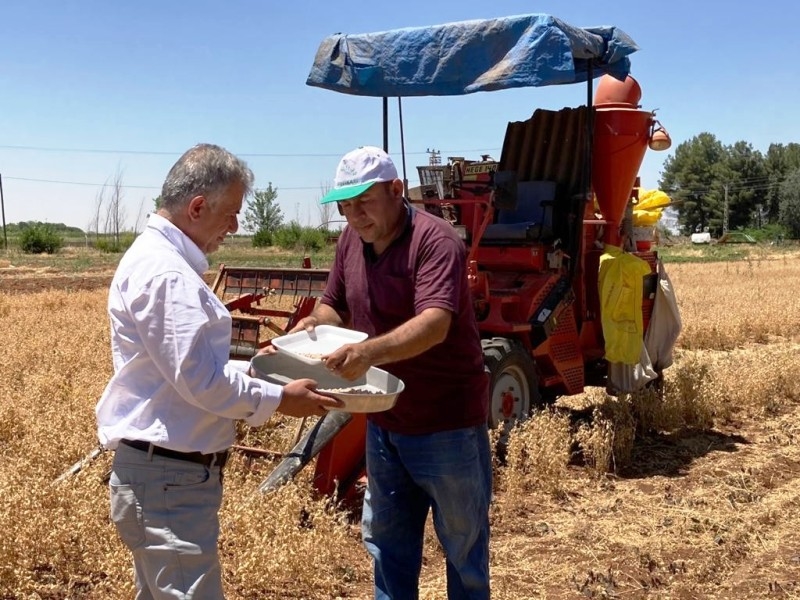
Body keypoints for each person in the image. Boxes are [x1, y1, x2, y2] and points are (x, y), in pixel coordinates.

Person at [95, 143, 340, 599]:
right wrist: (279, 399)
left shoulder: (159, 262)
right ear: (197, 207)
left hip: (164, 477)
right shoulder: (167, 273)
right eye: (230, 213)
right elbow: (201, 382)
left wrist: (258, 366)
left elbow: (187, 370)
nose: (235, 226)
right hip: (169, 479)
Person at [294, 146, 492, 599]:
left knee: (463, 549)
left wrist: (367, 352)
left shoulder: (435, 241)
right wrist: (313, 324)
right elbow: (334, 304)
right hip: (385, 420)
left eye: (364, 201)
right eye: (345, 206)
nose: (354, 215)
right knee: (387, 546)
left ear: (396, 190)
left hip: (446, 423)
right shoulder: (351, 242)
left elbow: (435, 323)